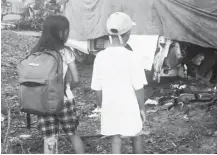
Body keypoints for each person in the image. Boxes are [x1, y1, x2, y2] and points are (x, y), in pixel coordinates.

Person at [91, 12, 147, 154]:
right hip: (130, 105)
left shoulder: (100, 57)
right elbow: (139, 87)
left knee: (115, 138)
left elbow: (97, 88)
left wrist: (103, 106)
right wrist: (142, 109)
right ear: (128, 34)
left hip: (110, 105)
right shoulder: (132, 57)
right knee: (136, 136)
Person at [31, 15, 85, 154]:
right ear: (61, 33)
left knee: (49, 138)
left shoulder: (36, 52)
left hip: (43, 101)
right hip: (64, 100)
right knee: (73, 134)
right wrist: (66, 89)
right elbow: (76, 79)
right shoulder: (66, 52)